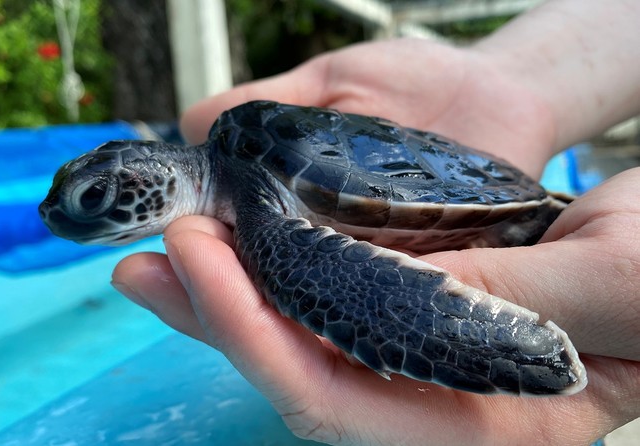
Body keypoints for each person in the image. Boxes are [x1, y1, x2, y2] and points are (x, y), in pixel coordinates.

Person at [112, 0, 640, 443]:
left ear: (152, 177)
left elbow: (336, 284)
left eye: (98, 197)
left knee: (299, 281)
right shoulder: (241, 184)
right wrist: (505, 82)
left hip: (472, 195)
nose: (70, 216)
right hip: (446, 173)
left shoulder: (257, 214)